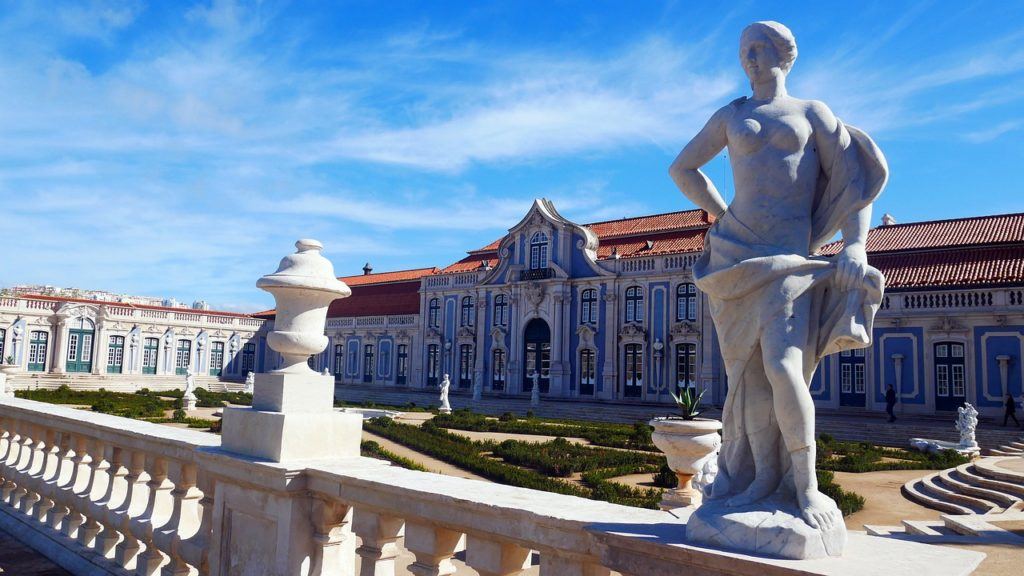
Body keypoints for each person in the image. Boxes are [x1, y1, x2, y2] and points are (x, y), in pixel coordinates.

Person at [669, 21, 887, 532]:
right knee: (746, 377)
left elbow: (855, 185)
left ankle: (804, 483)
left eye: (761, 47)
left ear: (785, 55)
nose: (751, 57)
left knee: (784, 366)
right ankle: (760, 475)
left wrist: (855, 244)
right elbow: (683, 169)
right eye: (745, 49)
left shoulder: (812, 113)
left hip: (791, 257)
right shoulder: (731, 115)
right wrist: (722, 215)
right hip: (735, 254)